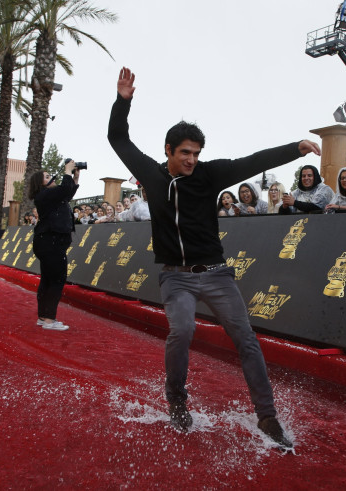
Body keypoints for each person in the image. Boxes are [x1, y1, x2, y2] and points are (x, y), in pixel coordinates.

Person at [107, 67, 320, 449]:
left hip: (218, 274)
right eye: (185, 153)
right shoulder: (153, 177)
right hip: (176, 277)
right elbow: (118, 138)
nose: (191, 159)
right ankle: (176, 401)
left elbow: (251, 162)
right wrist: (124, 101)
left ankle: (267, 418)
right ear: (168, 151)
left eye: (196, 153)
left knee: (247, 339)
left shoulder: (209, 175)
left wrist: (295, 149)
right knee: (183, 330)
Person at [27, 160, 80, 331]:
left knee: (48, 279)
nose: (52, 178)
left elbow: (66, 194)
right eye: (48, 177)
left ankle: (43, 317)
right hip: (51, 242)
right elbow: (63, 190)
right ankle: (49, 319)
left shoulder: (50, 197)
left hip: (50, 242)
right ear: (40, 183)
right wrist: (66, 171)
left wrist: (75, 178)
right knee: (56, 279)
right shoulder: (43, 196)